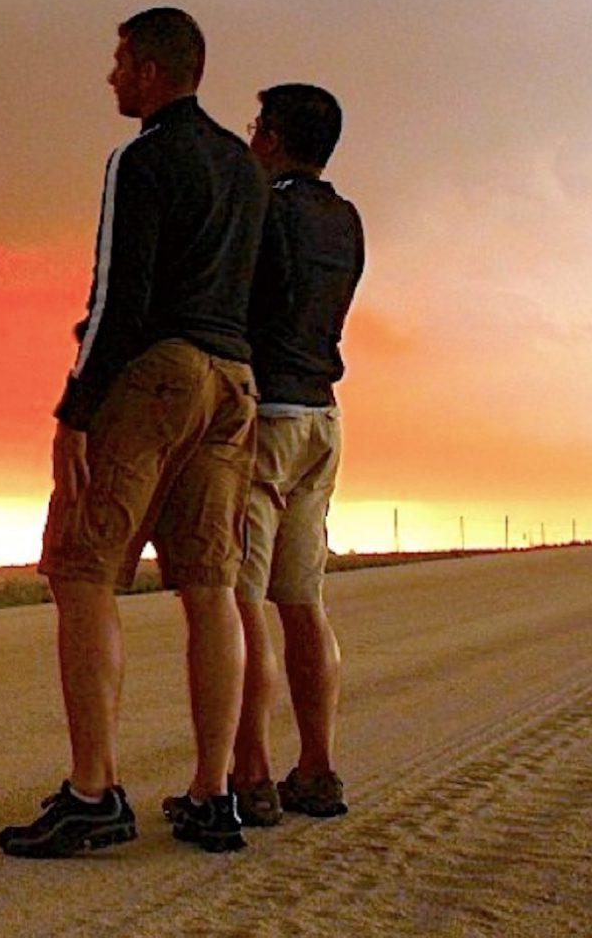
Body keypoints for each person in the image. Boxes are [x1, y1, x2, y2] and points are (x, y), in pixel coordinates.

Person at [0, 7, 265, 858]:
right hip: (235, 380)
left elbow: (118, 293)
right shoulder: (243, 166)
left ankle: (94, 791)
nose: (112, 77)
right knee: (209, 583)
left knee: (81, 567)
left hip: (160, 372)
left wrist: (75, 409)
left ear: (153, 71)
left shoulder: (143, 157)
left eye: (120, 62)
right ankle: (212, 793)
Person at [229, 83, 362, 827]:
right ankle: (317, 766)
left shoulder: (265, 210)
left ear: (273, 139)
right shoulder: (346, 219)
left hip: (266, 416)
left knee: (241, 598)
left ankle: (248, 773)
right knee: (303, 601)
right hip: (322, 415)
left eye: (256, 128)